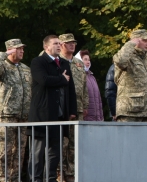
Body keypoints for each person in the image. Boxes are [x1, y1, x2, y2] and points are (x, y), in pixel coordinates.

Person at [27, 35, 77, 182]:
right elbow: (43, 80)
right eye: (55, 43)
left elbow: (70, 88)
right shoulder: (38, 62)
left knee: (54, 152)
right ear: (46, 47)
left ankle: (50, 179)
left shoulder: (64, 63)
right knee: (37, 152)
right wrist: (61, 79)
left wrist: (72, 110)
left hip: (59, 115)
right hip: (42, 115)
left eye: (59, 43)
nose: (59, 45)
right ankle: (35, 179)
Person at [0, 39, 31, 182]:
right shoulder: (3, 66)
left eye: (23, 49)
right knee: (6, 152)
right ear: (11, 50)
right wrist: (3, 55)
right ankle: (4, 179)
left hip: (23, 117)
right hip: (7, 115)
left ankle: (15, 179)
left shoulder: (25, 68)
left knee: (20, 152)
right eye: (19, 49)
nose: (22, 51)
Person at [57, 33, 89, 182]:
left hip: (79, 108)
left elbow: (84, 86)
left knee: (74, 144)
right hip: (63, 108)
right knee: (62, 142)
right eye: (68, 43)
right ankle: (59, 173)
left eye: (73, 42)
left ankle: (71, 173)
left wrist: (85, 104)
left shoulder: (79, 63)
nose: (72, 45)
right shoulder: (56, 61)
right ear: (61, 44)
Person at [113, 29, 147, 122]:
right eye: (144, 40)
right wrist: (130, 44)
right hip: (129, 110)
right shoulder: (127, 57)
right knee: (127, 137)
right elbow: (121, 61)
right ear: (136, 41)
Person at [75, 49, 104, 121]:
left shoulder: (92, 76)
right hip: (85, 117)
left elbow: (98, 98)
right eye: (85, 59)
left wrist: (101, 116)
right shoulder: (77, 76)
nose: (88, 61)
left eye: (89, 59)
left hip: (97, 118)